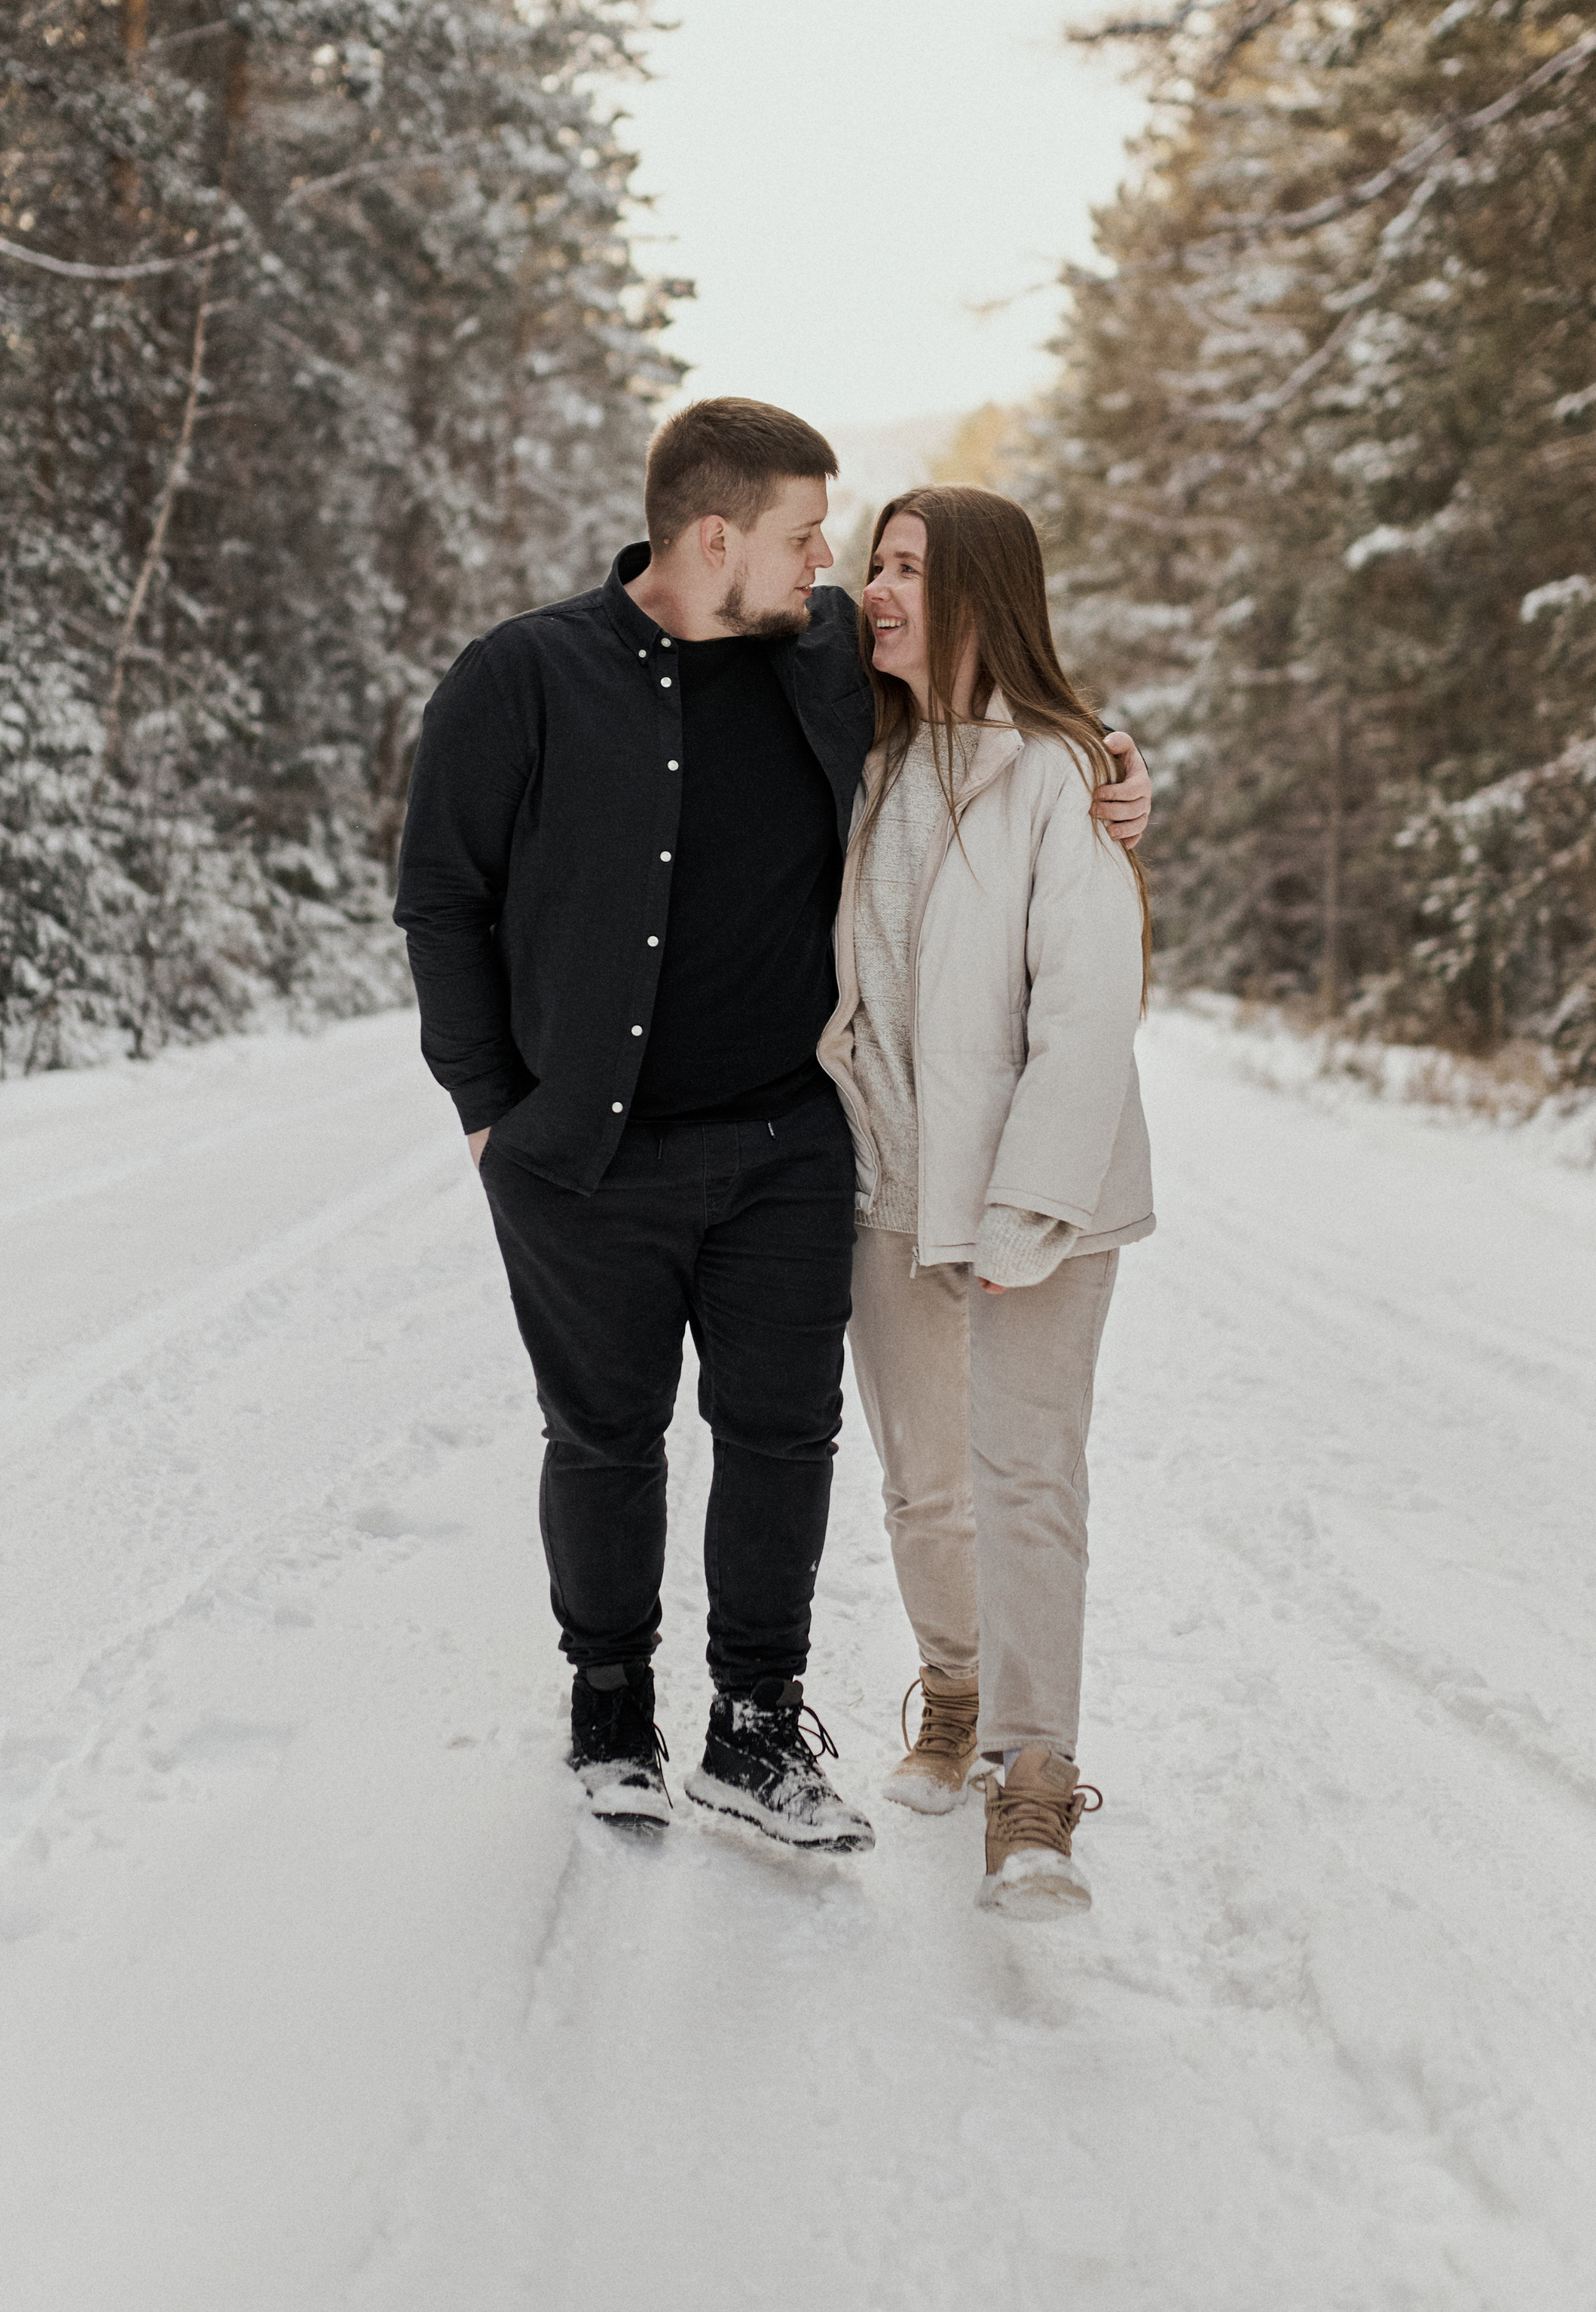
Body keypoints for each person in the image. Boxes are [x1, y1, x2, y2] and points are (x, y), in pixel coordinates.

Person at [393, 401, 1151, 1849]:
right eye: (813, 536)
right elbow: (443, 897)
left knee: (785, 1436)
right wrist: (489, 1108)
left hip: (788, 1153)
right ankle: (611, 1704)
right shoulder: (521, 678)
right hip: (584, 1155)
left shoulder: (816, 661)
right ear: (715, 535)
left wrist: (1110, 765)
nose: (836, 572)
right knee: (605, 1436)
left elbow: (990, 707)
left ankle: (754, 1729)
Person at [817, 484, 1153, 1919]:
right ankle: (954, 1688)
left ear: (982, 597)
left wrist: (1027, 1215)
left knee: (1026, 1478)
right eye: (871, 563)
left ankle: (1033, 1775)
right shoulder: (853, 756)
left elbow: (1090, 1015)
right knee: (920, 1480)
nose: (876, 590)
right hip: (887, 1185)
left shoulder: (1060, 772)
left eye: (908, 570)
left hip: (1043, 1202)